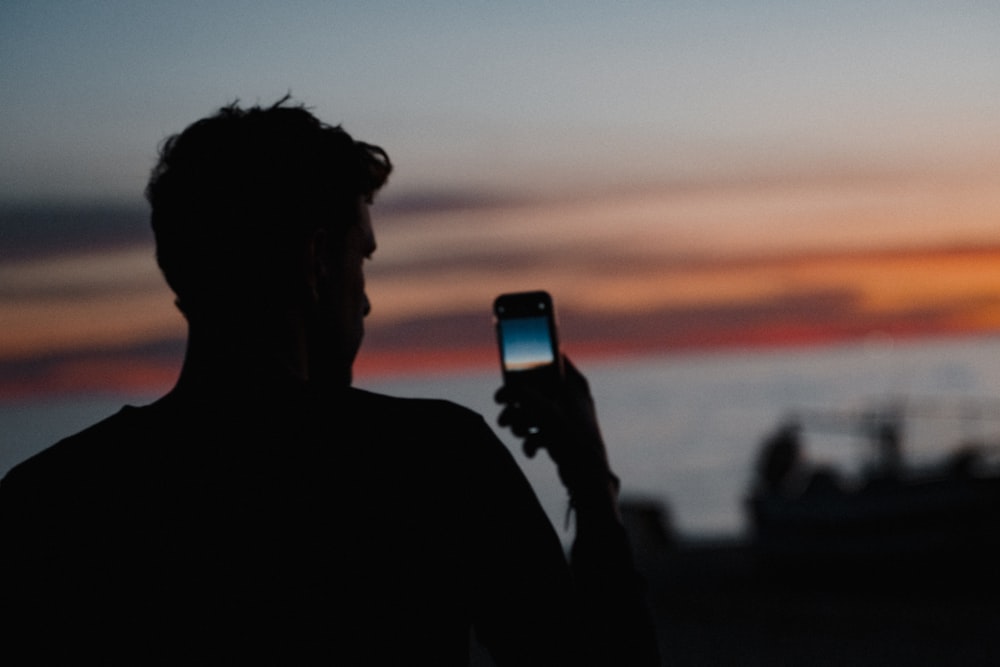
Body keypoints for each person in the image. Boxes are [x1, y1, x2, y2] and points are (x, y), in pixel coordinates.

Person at [0, 98, 658, 665]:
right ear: (316, 260)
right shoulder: (434, 463)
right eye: (361, 262)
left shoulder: (45, 501)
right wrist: (592, 488)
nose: (366, 301)